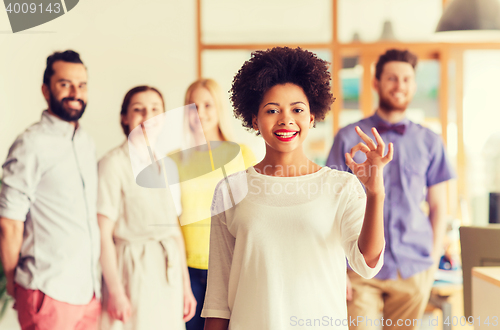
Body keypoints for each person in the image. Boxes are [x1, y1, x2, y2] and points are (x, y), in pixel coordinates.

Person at [201, 47, 392, 330]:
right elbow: (218, 297)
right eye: (272, 110)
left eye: (297, 110)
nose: (285, 119)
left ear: (312, 117)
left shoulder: (341, 186)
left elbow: (367, 263)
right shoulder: (230, 189)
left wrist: (376, 193)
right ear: (254, 120)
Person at [326, 49, 455, 329]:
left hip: (413, 267)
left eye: (407, 79)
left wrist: (432, 262)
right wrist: (338, 270)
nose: (400, 86)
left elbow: (438, 206)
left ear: (414, 84)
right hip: (359, 268)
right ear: (376, 83)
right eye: (392, 78)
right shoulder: (348, 137)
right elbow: (331, 207)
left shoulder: (430, 141)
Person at [0, 50, 101, 329]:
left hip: (88, 294)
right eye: (65, 84)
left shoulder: (86, 142)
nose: (75, 92)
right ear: (46, 90)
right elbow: (9, 223)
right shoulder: (30, 144)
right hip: (47, 291)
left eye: (82, 85)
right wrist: (13, 282)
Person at [97, 86, 197, 330]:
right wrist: (116, 293)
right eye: (138, 109)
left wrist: (186, 287)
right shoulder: (113, 164)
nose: (147, 116)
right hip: (132, 273)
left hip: (168, 274)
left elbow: (174, 230)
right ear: (125, 117)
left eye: (155, 109)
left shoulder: (168, 166)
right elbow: (102, 235)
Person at [169, 78, 256, 330]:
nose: (200, 113)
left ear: (219, 109)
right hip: (190, 270)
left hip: (233, 267)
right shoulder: (174, 161)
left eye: (207, 105)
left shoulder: (242, 155)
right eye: (192, 106)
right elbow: (172, 218)